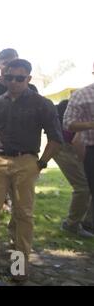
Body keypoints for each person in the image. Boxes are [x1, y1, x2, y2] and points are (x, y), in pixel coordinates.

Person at [0, 59, 63, 282]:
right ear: (3, 78)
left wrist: (41, 163)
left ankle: (18, 265)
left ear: (29, 79)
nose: (14, 82)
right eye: (9, 77)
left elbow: (56, 138)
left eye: (19, 78)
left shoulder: (41, 104)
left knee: (22, 214)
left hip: (26, 161)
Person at [54, 100, 93, 238]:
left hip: (67, 147)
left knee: (89, 185)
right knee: (83, 187)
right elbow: (78, 141)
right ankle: (71, 224)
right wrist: (83, 162)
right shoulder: (81, 111)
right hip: (63, 148)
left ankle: (88, 223)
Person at [64, 70, 94, 234]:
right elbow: (69, 125)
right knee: (85, 187)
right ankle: (77, 224)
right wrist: (91, 124)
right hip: (87, 148)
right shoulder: (82, 95)